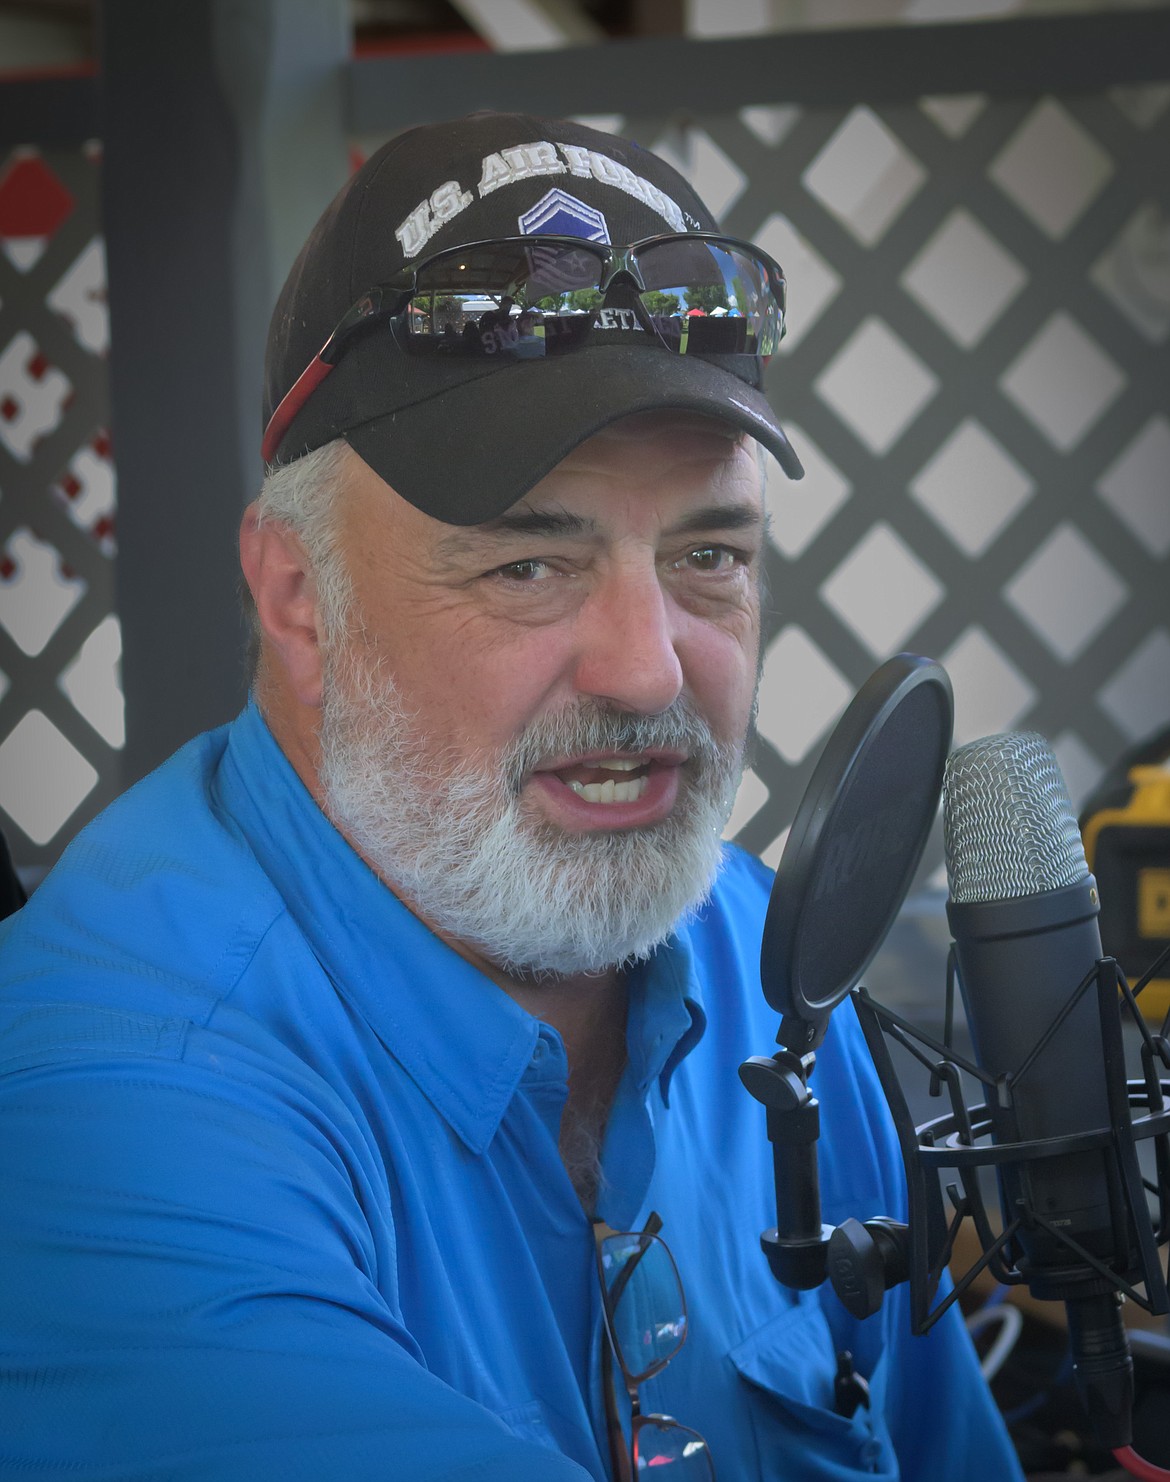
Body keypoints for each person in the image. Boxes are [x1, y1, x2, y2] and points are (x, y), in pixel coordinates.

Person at [0, 112, 1023, 1481]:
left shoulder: (768, 963)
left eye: (707, 554)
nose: (648, 663)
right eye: (525, 566)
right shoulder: (96, 1090)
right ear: (300, 599)